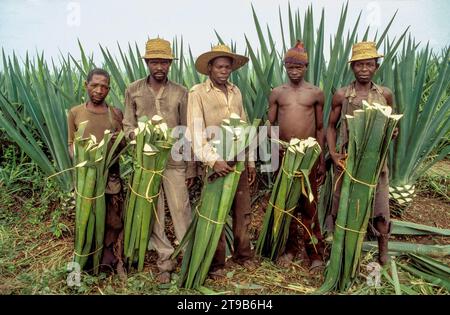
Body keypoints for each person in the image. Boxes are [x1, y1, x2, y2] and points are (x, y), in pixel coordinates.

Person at [122, 38, 195, 283]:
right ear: (147, 63)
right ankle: (165, 261)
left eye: (164, 62)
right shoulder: (133, 89)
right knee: (154, 212)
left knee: (181, 208)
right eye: (155, 62)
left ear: (170, 64)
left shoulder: (180, 92)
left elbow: (186, 130)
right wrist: (138, 135)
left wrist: (191, 165)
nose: (159, 67)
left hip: (174, 161)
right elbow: (127, 125)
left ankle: (189, 258)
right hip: (146, 163)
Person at [187, 44, 257, 279]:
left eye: (228, 67)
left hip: (237, 160)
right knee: (214, 210)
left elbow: (244, 126)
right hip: (214, 161)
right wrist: (213, 160)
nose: (224, 71)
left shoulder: (236, 91)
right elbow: (196, 132)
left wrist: (250, 162)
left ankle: (243, 255)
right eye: (219, 66)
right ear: (209, 68)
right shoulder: (197, 93)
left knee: (242, 209)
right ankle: (217, 263)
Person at [326, 41, 396, 266]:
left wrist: (392, 132)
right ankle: (339, 251)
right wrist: (334, 154)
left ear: (376, 66)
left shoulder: (385, 94)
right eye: (359, 65)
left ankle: (383, 250)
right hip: (349, 161)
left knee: (380, 206)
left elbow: (394, 125)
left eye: (369, 64)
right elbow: (330, 127)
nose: (364, 69)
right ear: (352, 68)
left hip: (376, 163)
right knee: (342, 204)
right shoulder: (343, 95)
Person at [267, 41, 326, 273]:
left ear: (306, 67)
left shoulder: (315, 93)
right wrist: (273, 155)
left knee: (310, 205)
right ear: (285, 67)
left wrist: (319, 158)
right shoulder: (277, 93)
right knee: (287, 204)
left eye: (298, 67)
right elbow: (269, 125)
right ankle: (290, 249)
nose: (294, 71)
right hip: (284, 155)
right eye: (290, 67)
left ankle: (315, 253)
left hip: (308, 156)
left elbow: (320, 128)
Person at [67, 68, 126, 278]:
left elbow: (124, 144)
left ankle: (110, 262)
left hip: (111, 177)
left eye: (104, 86)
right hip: (86, 179)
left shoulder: (115, 113)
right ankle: (84, 266)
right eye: (95, 85)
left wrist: (117, 141)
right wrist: (83, 158)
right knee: (87, 220)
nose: (99, 90)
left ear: (109, 89)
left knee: (113, 221)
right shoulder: (75, 113)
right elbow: (71, 144)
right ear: (86, 85)